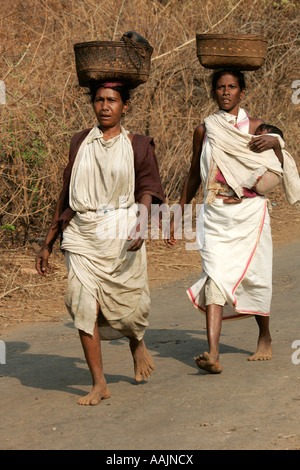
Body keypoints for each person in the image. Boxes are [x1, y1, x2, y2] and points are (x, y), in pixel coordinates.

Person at [36, 81, 165, 405]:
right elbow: (65, 193)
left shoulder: (136, 145)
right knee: (83, 305)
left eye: (112, 100)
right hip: (82, 233)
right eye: (99, 100)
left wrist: (141, 222)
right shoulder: (80, 142)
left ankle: (136, 342)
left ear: (124, 105)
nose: (105, 106)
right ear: (93, 104)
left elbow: (147, 187)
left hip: (120, 230)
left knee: (128, 306)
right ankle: (99, 383)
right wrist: (48, 242)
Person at [165, 69, 288, 374]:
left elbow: (281, 167)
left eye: (232, 87)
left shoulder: (259, 128)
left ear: (242, 92)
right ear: (213, 92)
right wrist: (178, 216)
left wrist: (274, 145)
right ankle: (213, 353)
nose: (226, 92)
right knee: (215, 277)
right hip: (215, 213)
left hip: (250, 214)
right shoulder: (205, 130)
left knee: (256, 275)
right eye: (220, 87)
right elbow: (195, 174)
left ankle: (264, 335)